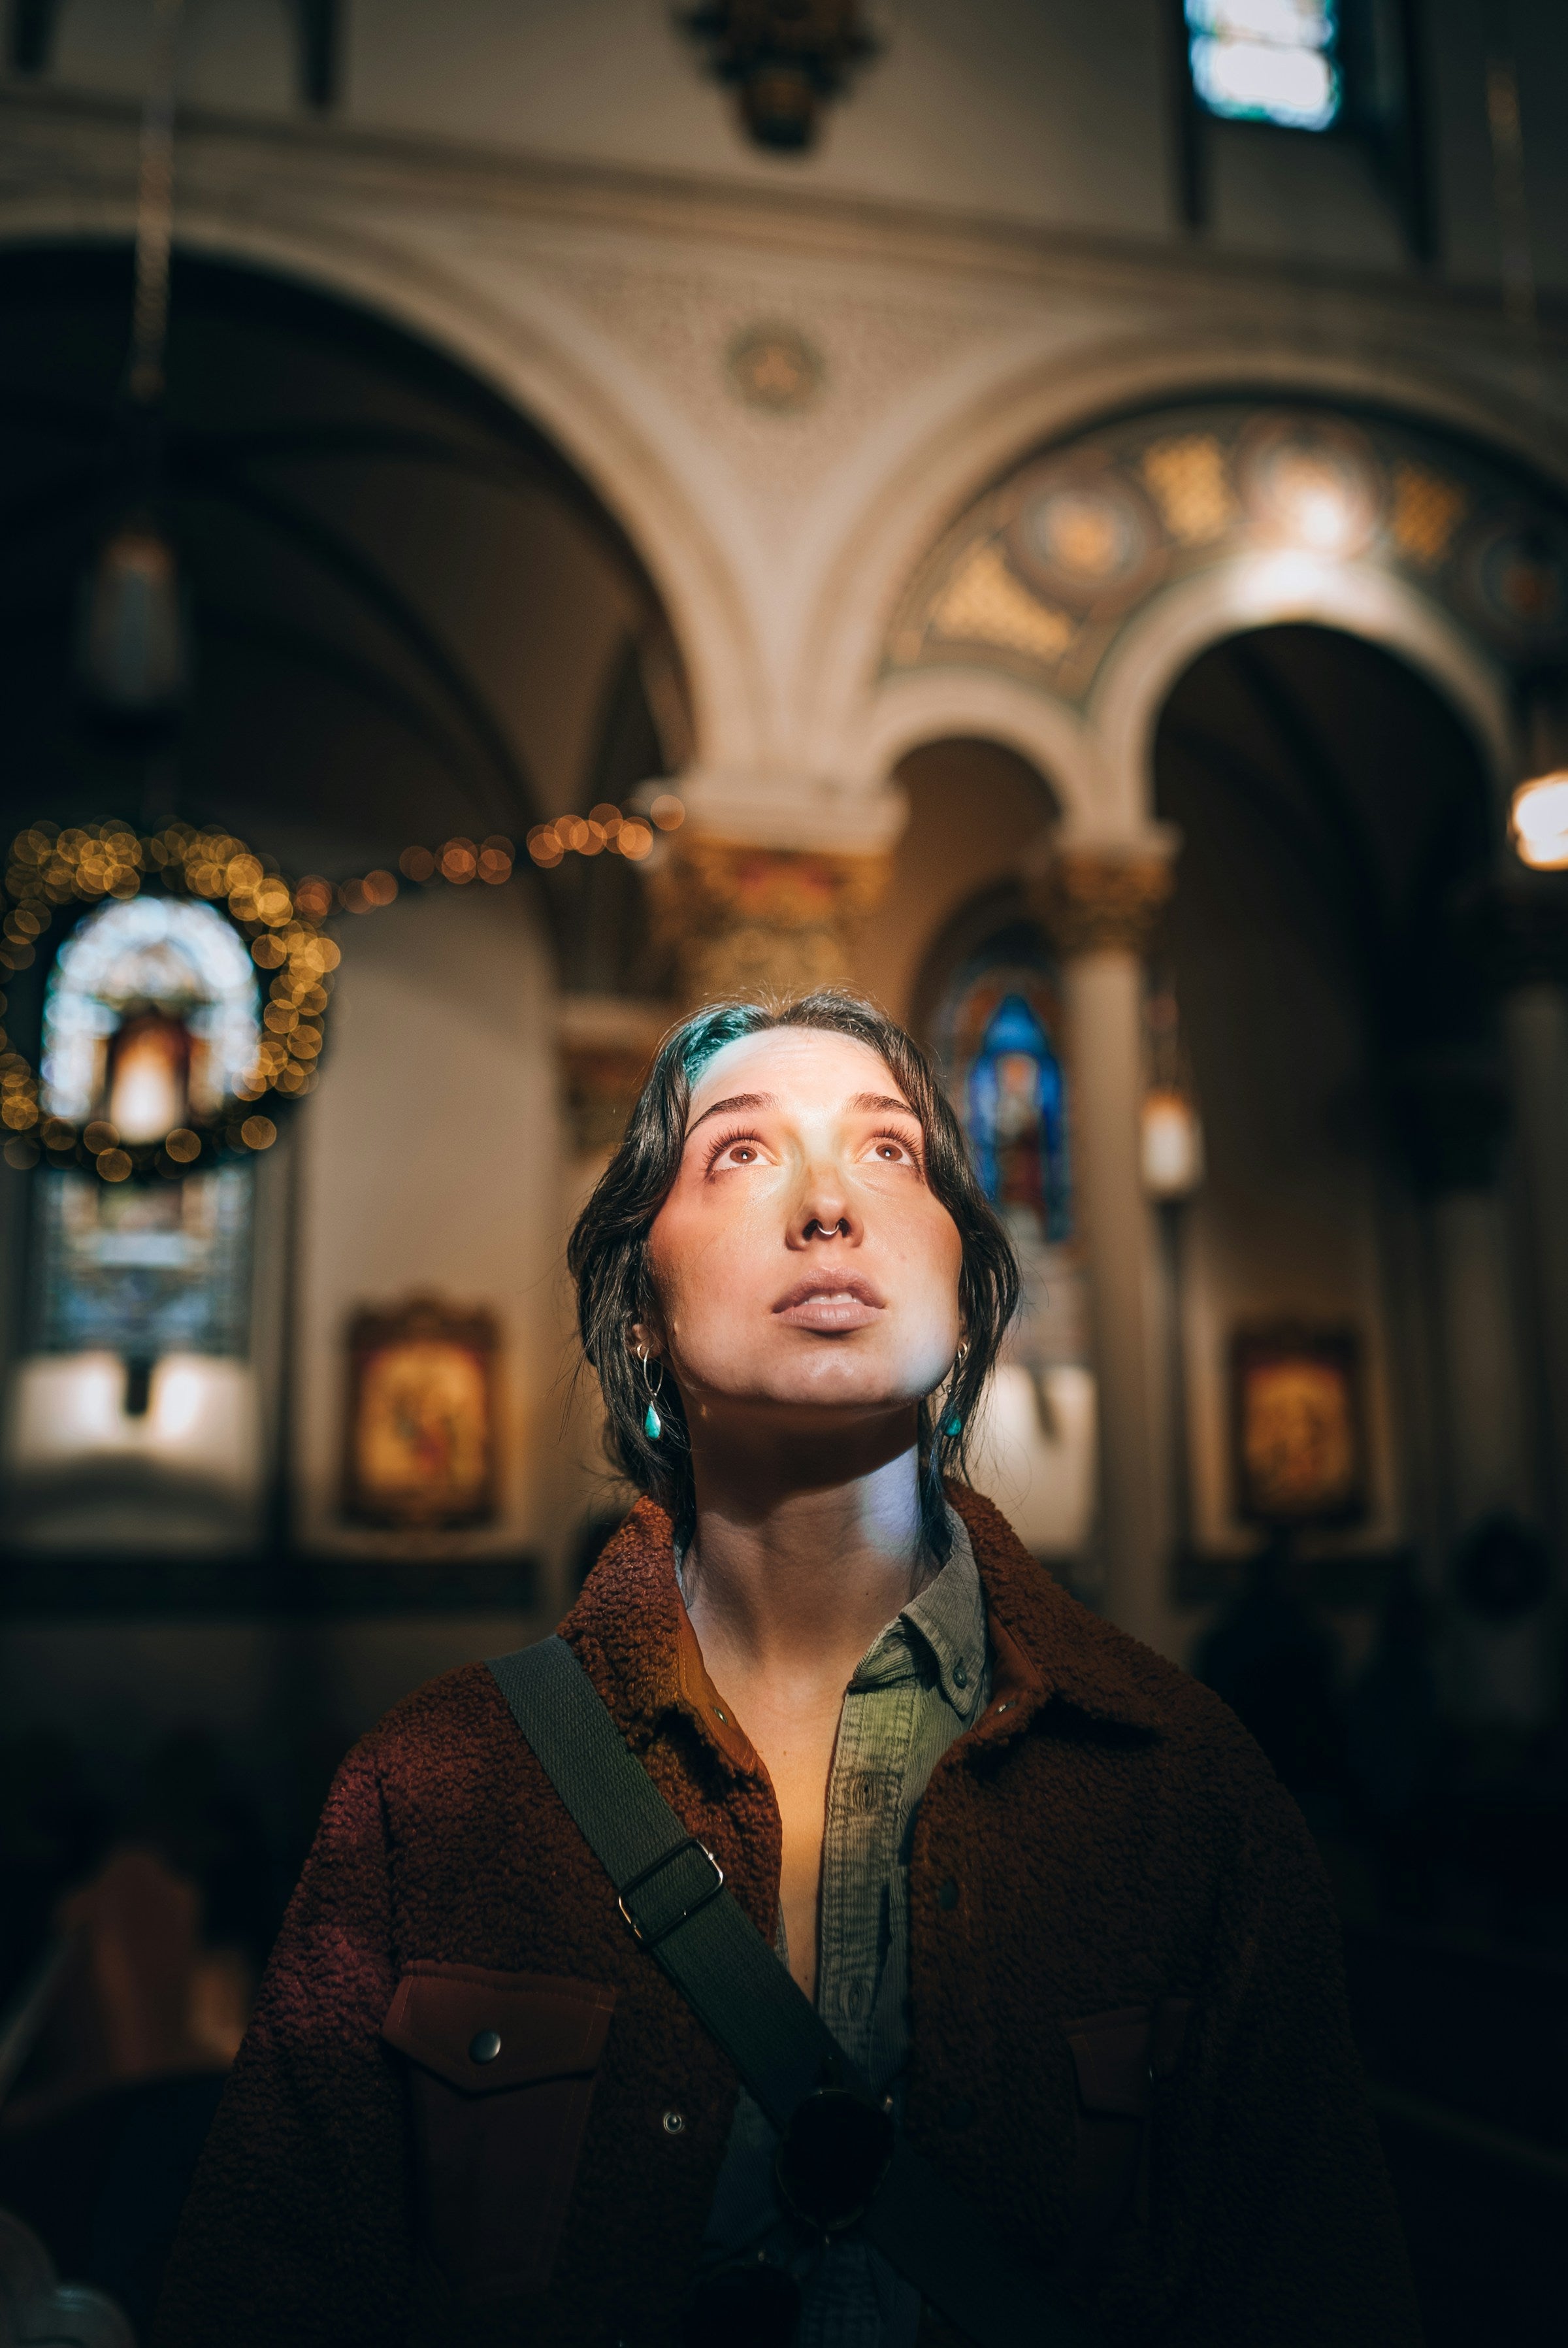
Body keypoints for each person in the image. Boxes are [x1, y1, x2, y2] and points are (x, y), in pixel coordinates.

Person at [152, 990, 1421, 2347]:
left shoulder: (1178, 1787)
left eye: (891, 1154)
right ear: (639, 1304)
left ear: (965, 1278)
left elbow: (1315, 2287)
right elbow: (266, 2289)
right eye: (742, 1153)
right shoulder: (437, 1787)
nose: (830, 1204)